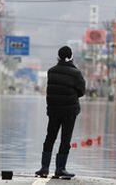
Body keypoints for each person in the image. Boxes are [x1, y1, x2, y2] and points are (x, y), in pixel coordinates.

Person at [35, 46, 86, 179]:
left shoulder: (51, 71)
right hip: (70, 111)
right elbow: (82, 91)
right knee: (65, 139)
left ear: (58, 57)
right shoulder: (76, 73)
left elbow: (50, 90)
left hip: (54, 110)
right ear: (71, 57)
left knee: (50, 137)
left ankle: (44, 167)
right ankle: (60, 169)